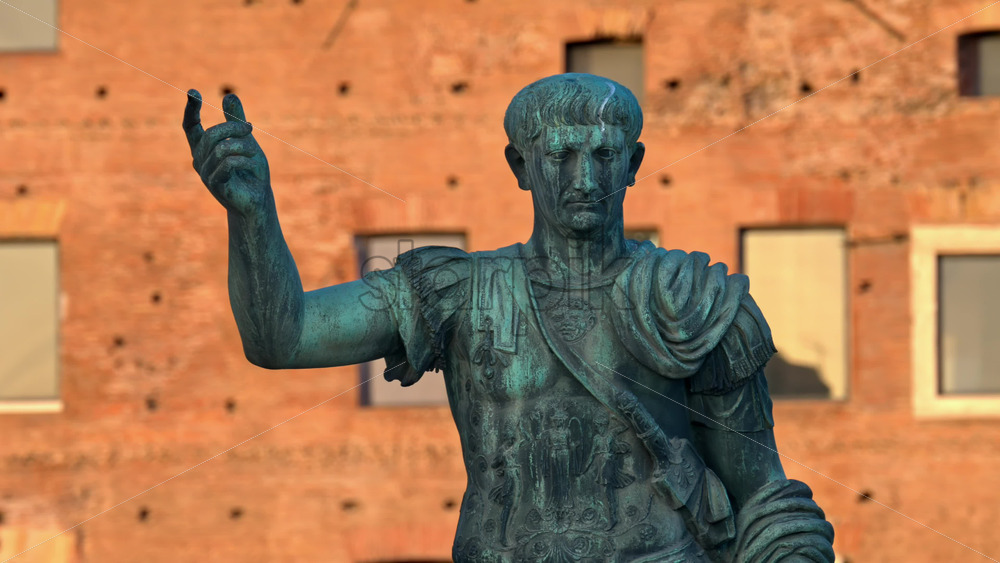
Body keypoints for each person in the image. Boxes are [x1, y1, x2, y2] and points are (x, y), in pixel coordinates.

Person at [183, 73, 835, 562]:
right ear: (520, 165)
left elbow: (761, 494)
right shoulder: (456, 292)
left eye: (605, 155)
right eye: (561, 155)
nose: (585, 177)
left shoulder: (692, 298)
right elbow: (283, 336)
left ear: (634, 165)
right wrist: (251, 213)